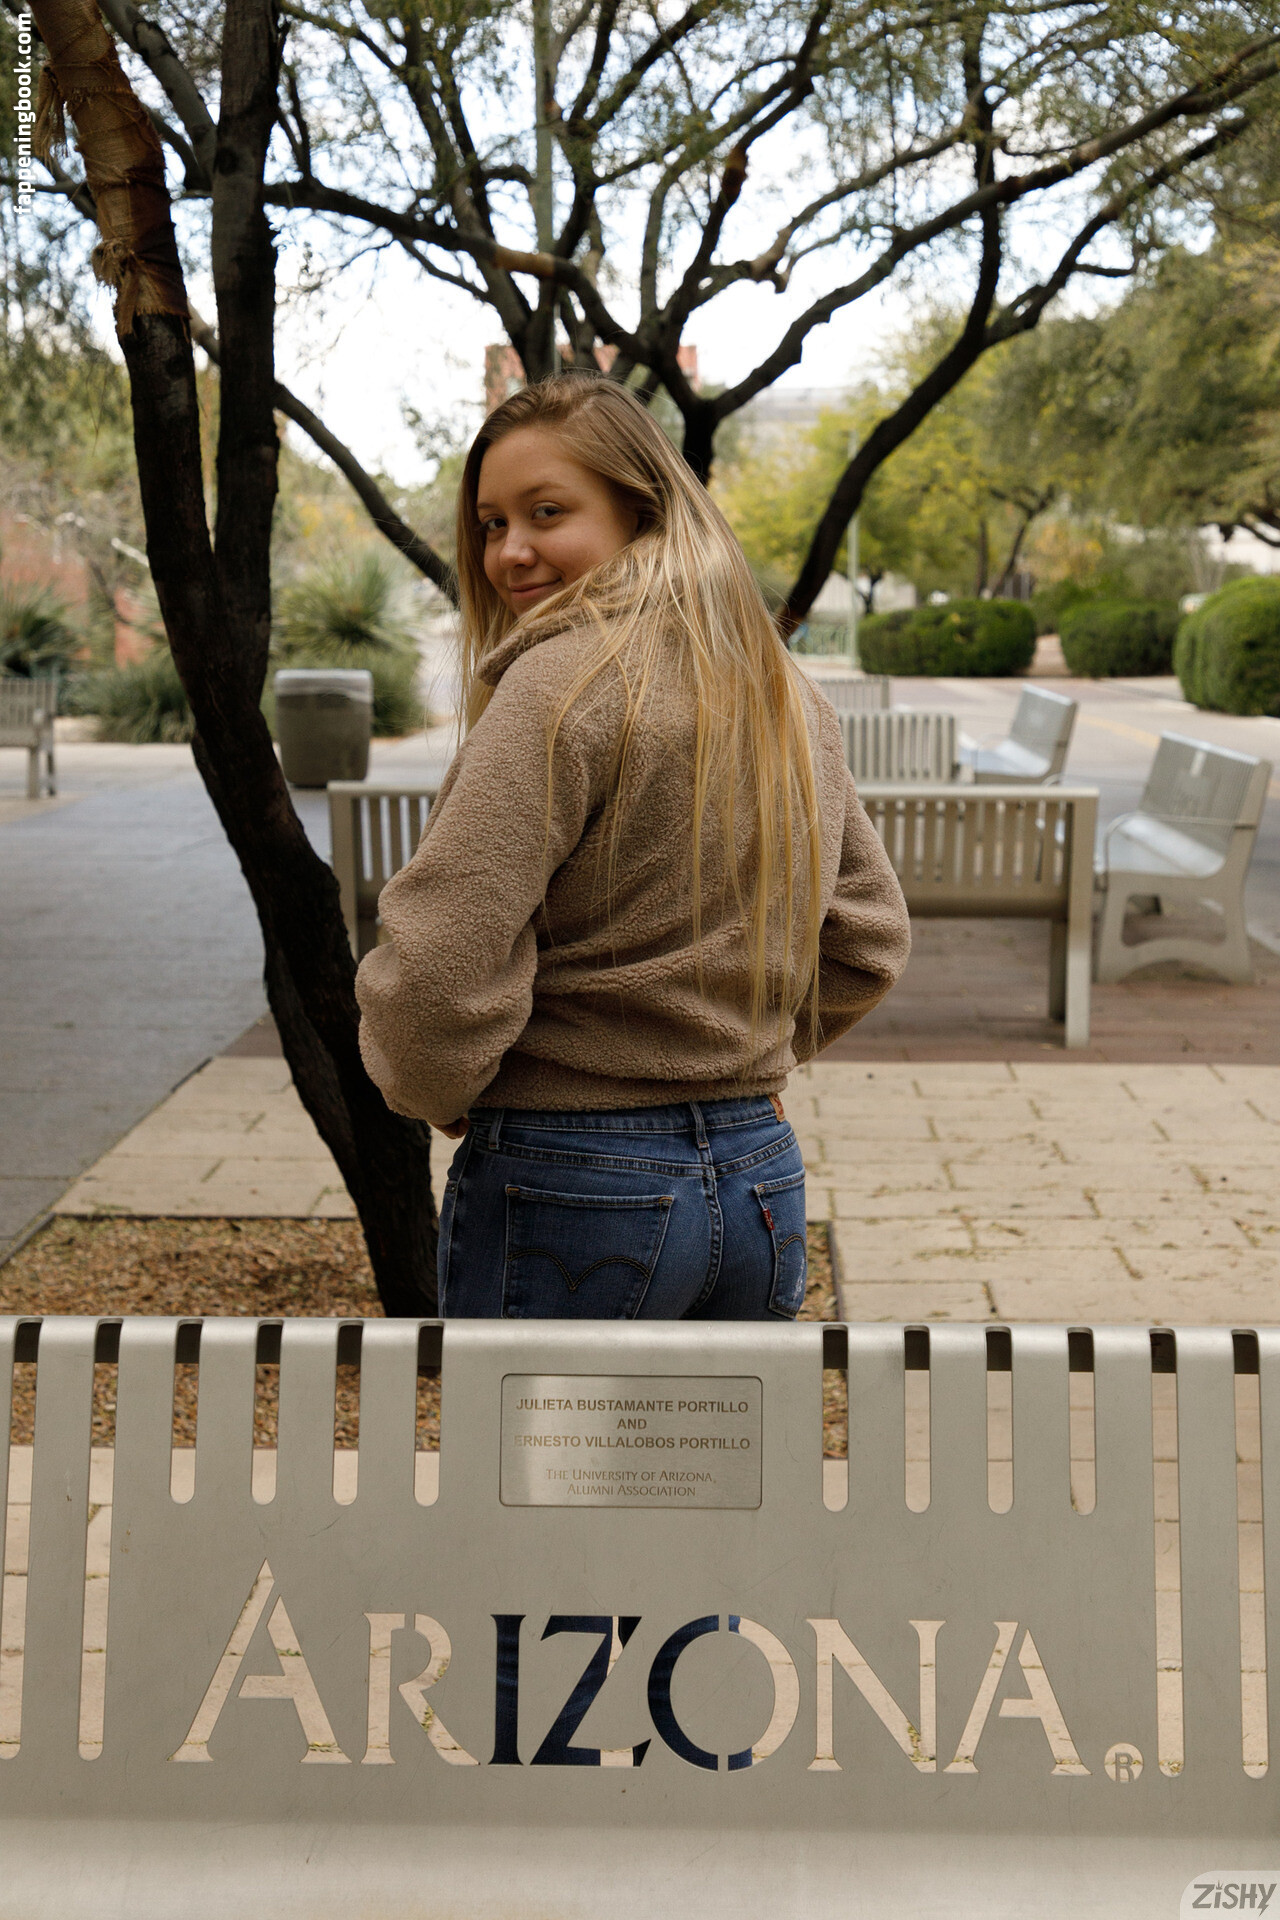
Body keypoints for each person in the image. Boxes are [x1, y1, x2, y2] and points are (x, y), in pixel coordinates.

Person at [355, 373, 910, 1319]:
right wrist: (736, 1064)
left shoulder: (558, 687)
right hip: (759, 1178)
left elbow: (439, 969)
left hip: (569, 1174)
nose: (510, 550)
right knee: (716, 1431)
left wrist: (440, 1090)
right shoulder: (780, 689)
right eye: (491, 524)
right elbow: (869, 937)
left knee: (530, 1433)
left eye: (546, 512)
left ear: (643, 510)